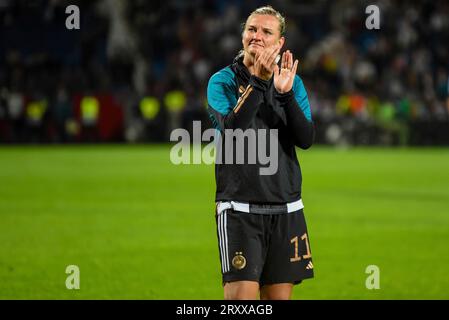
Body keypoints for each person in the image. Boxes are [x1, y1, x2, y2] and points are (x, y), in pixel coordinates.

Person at [206, 6, 315, 300]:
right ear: (242, 35)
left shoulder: (292, 82)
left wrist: (286, 94)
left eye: (267, 32)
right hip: (240, 208)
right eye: (252, 29)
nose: (257, 36)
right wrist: (259, 82)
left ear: (280, 43)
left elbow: (305, 139)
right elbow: (232, 131)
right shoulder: (222, 81)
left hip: (286, 208)